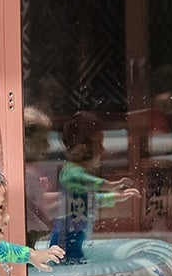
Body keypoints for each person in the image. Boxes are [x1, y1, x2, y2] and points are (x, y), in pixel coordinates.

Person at [48, 111, 140, 263]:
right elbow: (87, 181)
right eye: (99, 145)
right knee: (69, 264)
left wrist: (118, 196)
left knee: (74, 262)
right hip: (66, 239)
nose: (103, 150)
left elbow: (91, 200)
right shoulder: (71, 173)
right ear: (83, 148)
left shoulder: (77, 175)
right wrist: (112, 185)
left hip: (73, 237)